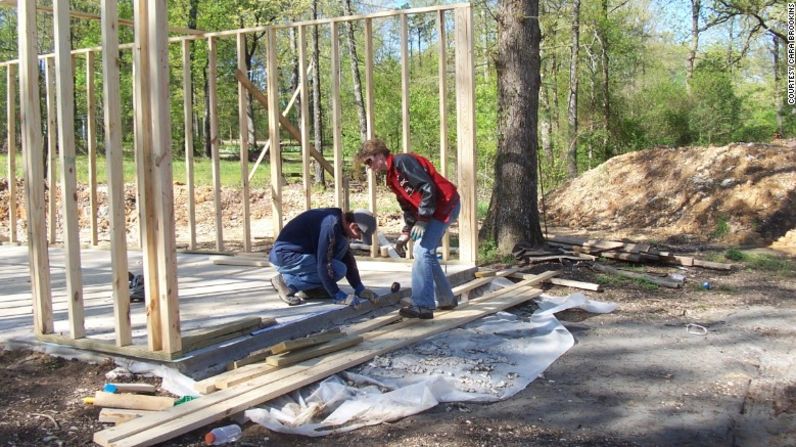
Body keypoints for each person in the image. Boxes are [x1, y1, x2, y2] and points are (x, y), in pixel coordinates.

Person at [356, 139, 460, 320]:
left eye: (369, 161)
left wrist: (423, 220)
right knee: (426, 253)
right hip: (434, 209)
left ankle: (423, 305)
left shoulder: (403, 162)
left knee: (422, 251)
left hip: (444, 205)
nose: (370, 167)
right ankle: (446, 299)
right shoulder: (391, 177)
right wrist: (406, 231)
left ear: (380, 155)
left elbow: (428, 189)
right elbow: (408, 205)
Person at [268, 208, 378, 306]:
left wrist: (359, 287)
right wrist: (336, 294)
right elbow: (324, 263)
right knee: (338, 270)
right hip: (284, 256)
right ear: (353, 226)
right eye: (360, 235)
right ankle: (286, 282)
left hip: (301, 253)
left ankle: (311, 289)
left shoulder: (339, 223)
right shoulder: (330, 226)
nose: (358, 239)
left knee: (340, 256)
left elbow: (346, 257)